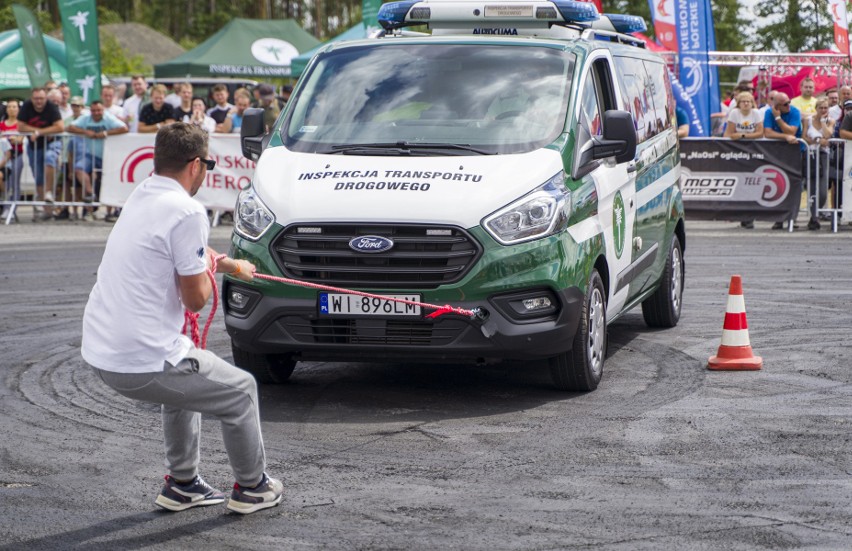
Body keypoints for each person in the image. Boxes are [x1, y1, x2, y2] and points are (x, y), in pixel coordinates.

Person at [81, 122, 284, 515]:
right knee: (241, 391)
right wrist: (209, 273)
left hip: (103, 351)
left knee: (187, 372)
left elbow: (181, 249)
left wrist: (228, 263)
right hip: (139, 359)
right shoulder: (189, 210)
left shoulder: (144, 194)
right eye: (207, 163)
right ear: (195, 164)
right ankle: (253, 487)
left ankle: (183, 485)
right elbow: (195, 301)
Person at [67, 99, 128, 221]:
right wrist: (85, 131)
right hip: (91, 155)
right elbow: (70, 127)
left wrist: (106, 133)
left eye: (99, 110)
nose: (96, 113)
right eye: (94, 110)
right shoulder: (86, 119)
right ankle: (90, 194)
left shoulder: (109, 118)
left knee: (110, 180)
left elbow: (124, 128)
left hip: (108, 155)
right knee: (79, 168)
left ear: (103, 110)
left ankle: (110, 212)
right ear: (90, 111)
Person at [17, 87, 64, 218]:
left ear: (46, 98)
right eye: (36, 98)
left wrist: (39, 132)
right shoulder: (27, 106)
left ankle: (48, 192)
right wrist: (40, 131)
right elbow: (20, 126)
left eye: (41, 98)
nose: (39, 101)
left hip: (52, 142)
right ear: (32, 98)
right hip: (34, 146)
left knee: (50, 158)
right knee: (38, 176)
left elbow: (60, 127)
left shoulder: (51, 107)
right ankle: (47, 209)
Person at [764, 92, 804, 230]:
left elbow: (792, 131)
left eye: (789, 102)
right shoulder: (769, 112)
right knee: (778, 184)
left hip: (796, 151)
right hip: (778, 152)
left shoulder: (794, 111)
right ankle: (779, 218)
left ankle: (793, 217)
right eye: (785, 104)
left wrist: (778, 118)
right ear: (776, 106)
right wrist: (785, 137)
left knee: (794, 185)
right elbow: (768, 133)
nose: (789, 105)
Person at [802, 98, 833, 230]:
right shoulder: (807, 120)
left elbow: (828, 135)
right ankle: (814, 217)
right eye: (821, 108)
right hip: (811, 155)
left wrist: (822, 122)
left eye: (826, 108)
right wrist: (816, 140)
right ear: (816, 108)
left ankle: (816, 212)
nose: (823, 110)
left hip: (824, 156)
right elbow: (804, 136)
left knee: (823, 190)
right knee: (812, 187)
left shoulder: (830, 120)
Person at [0, 99, 25, 209]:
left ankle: (13, 209)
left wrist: (8, 138)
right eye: (9, 107)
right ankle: (5, 206)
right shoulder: (1, 124)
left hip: (17, 155)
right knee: (5, 183)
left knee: (14, 182)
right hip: (3, 157)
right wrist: (11, 139)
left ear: (19, 109)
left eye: (14, 107)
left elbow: (19, 140)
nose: (11, 109)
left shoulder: (21, 125)